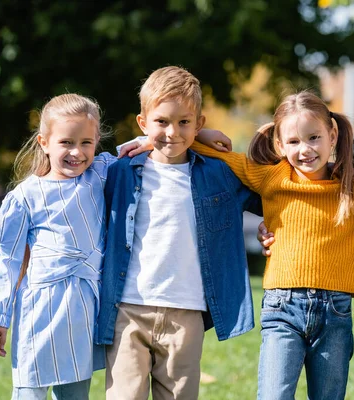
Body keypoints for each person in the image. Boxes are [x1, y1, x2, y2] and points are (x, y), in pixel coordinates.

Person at [125, 89, 354, 400]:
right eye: (294, 142)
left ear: (333, 134)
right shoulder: (271, 177)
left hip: (336, 313)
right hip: (283, 308)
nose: (305, 149)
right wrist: (165, 136)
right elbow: (210, 151)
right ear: (280, 145)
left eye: (314, 138)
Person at [95, 66, 262, 400]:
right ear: (143, 123)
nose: (172, 132)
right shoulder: (121, 171)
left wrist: (203, 140)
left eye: (185, 122)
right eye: (161, 122)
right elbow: (83, 167)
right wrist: (141, 143)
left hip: (186, 312)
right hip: (128, 309)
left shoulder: (218, 173)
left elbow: (266, 188)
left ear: (199, 123)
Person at [0, 93, 115, 399]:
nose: (76, 152)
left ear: (97, 142)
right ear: (44, 142)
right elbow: (5, 258)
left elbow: (148, 143)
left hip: (84, 308)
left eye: (86, 143)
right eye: (66, 142)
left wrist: (203, 134)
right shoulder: (25, 196)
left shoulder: (100, 174)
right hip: (41, 309)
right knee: (30, 389)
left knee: (75, 392)